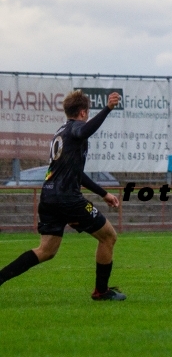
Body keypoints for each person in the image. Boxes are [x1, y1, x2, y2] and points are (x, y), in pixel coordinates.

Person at [0, 90, 126, 301]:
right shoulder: (77, 128)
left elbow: (76, 173)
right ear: (83, 112)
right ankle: (101, 291)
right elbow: (84, 131)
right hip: (68, 198)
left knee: (46, 250)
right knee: (109, 237)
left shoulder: (61, 132)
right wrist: (108, 109)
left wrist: (103, 194)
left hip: (49, 197)